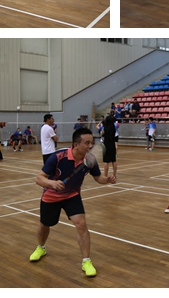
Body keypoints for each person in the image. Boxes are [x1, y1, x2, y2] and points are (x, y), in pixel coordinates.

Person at [30, 127, 115, 277]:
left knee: (81, 224)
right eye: (87, 143)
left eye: (92, 142)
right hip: (51, 196)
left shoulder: (90, 159)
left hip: (72, 195)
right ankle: (41, 247)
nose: (90, 146)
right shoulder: (58, 157)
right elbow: (39, 178)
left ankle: (86, 261)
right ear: (76, 145)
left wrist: (106, 180)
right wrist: (52, 183)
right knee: (45, 225)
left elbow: (98, 177)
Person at [101, 114, 118, 180]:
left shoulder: (105, 128)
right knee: (114, 160)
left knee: (106, 161)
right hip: (112, 144)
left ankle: (105, 175)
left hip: (106, 145)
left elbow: (101, 134)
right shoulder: (114, 128)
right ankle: (114, 175)